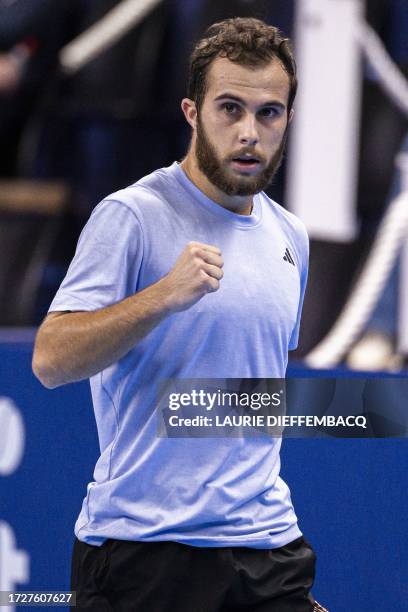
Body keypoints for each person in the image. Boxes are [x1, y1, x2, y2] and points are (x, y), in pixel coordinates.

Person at [33, 17, 324, 612]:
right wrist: (162, 296)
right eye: (229, 108)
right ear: (192, 113)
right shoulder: (132, 216)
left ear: (288, 119)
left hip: (267, 548)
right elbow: (51, 359)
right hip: (146, 553)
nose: (249, 132)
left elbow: (253, 393)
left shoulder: (292, 234)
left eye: (268, 112)